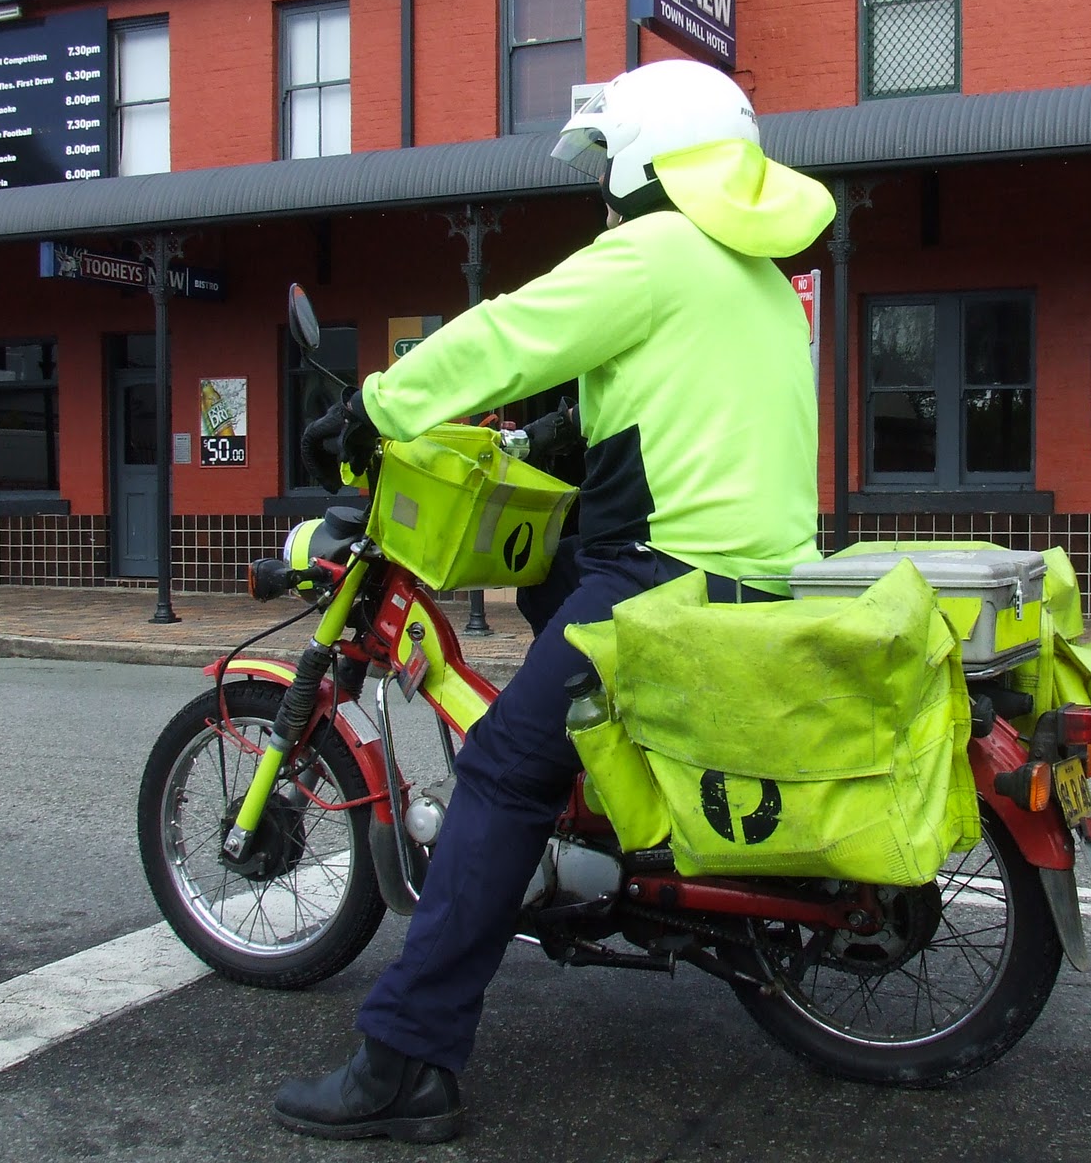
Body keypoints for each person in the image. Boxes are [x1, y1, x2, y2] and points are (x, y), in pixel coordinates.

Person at [274, 58, 835, 1145]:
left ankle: (405, 1064)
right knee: (553, 574)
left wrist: (374, 411)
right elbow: (640, 402)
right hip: (752, 566)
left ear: (644, 156)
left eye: (607, 168)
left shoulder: (655, 251)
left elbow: (505, 334)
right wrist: (538, 438)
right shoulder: (755, 276)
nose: (602, 192)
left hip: (667, 575)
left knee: (501, 767)